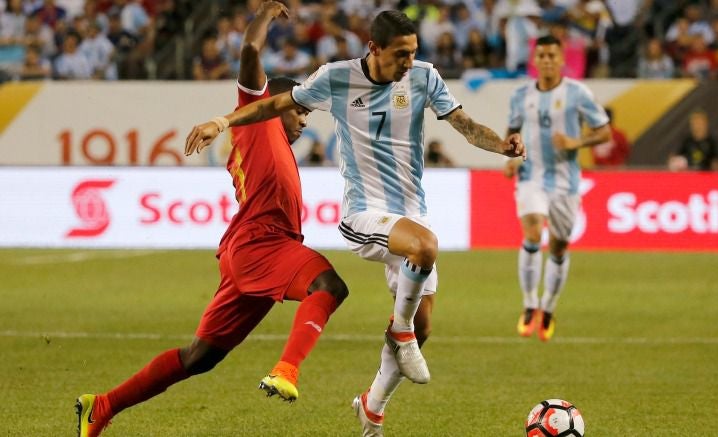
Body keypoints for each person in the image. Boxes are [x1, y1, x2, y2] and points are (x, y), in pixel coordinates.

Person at [185, 10, 525, 436]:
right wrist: (223, 121)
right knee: (424, 249)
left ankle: (373, 406)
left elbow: (465, 126)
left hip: (411, 212)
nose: (408, 62)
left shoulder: (424, 77)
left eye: (413, 52)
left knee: (424, 325)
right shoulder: (337, 77)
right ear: (374, 48)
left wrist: (502, 146)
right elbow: (274, 104)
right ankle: (400, 333)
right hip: (364, 211)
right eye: (400, 54)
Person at [76, 3, 349, 436]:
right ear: (275, 103)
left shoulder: (276, 144)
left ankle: (103, 405)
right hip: (262, 245)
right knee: (328, 285)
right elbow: (249, 51)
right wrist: (265, 12)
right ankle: (287, 370)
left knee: (200, 357)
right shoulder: (259, 120)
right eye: (299, 110)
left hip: (250, 250)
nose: (303, 120)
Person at [504, 35, 610, 342]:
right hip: (531, 176)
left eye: (552, 55)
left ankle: (548, 306)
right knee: (533, 232)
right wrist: (511, 157)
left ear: (562, 59)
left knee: (559, 248)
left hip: (566, 182)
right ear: (535, 60)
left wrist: (577, 142)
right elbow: (512, 132)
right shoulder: (521, 95)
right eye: (542, 55)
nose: (547, 60)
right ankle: (529, 304)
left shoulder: (578, 93)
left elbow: (604, 132)